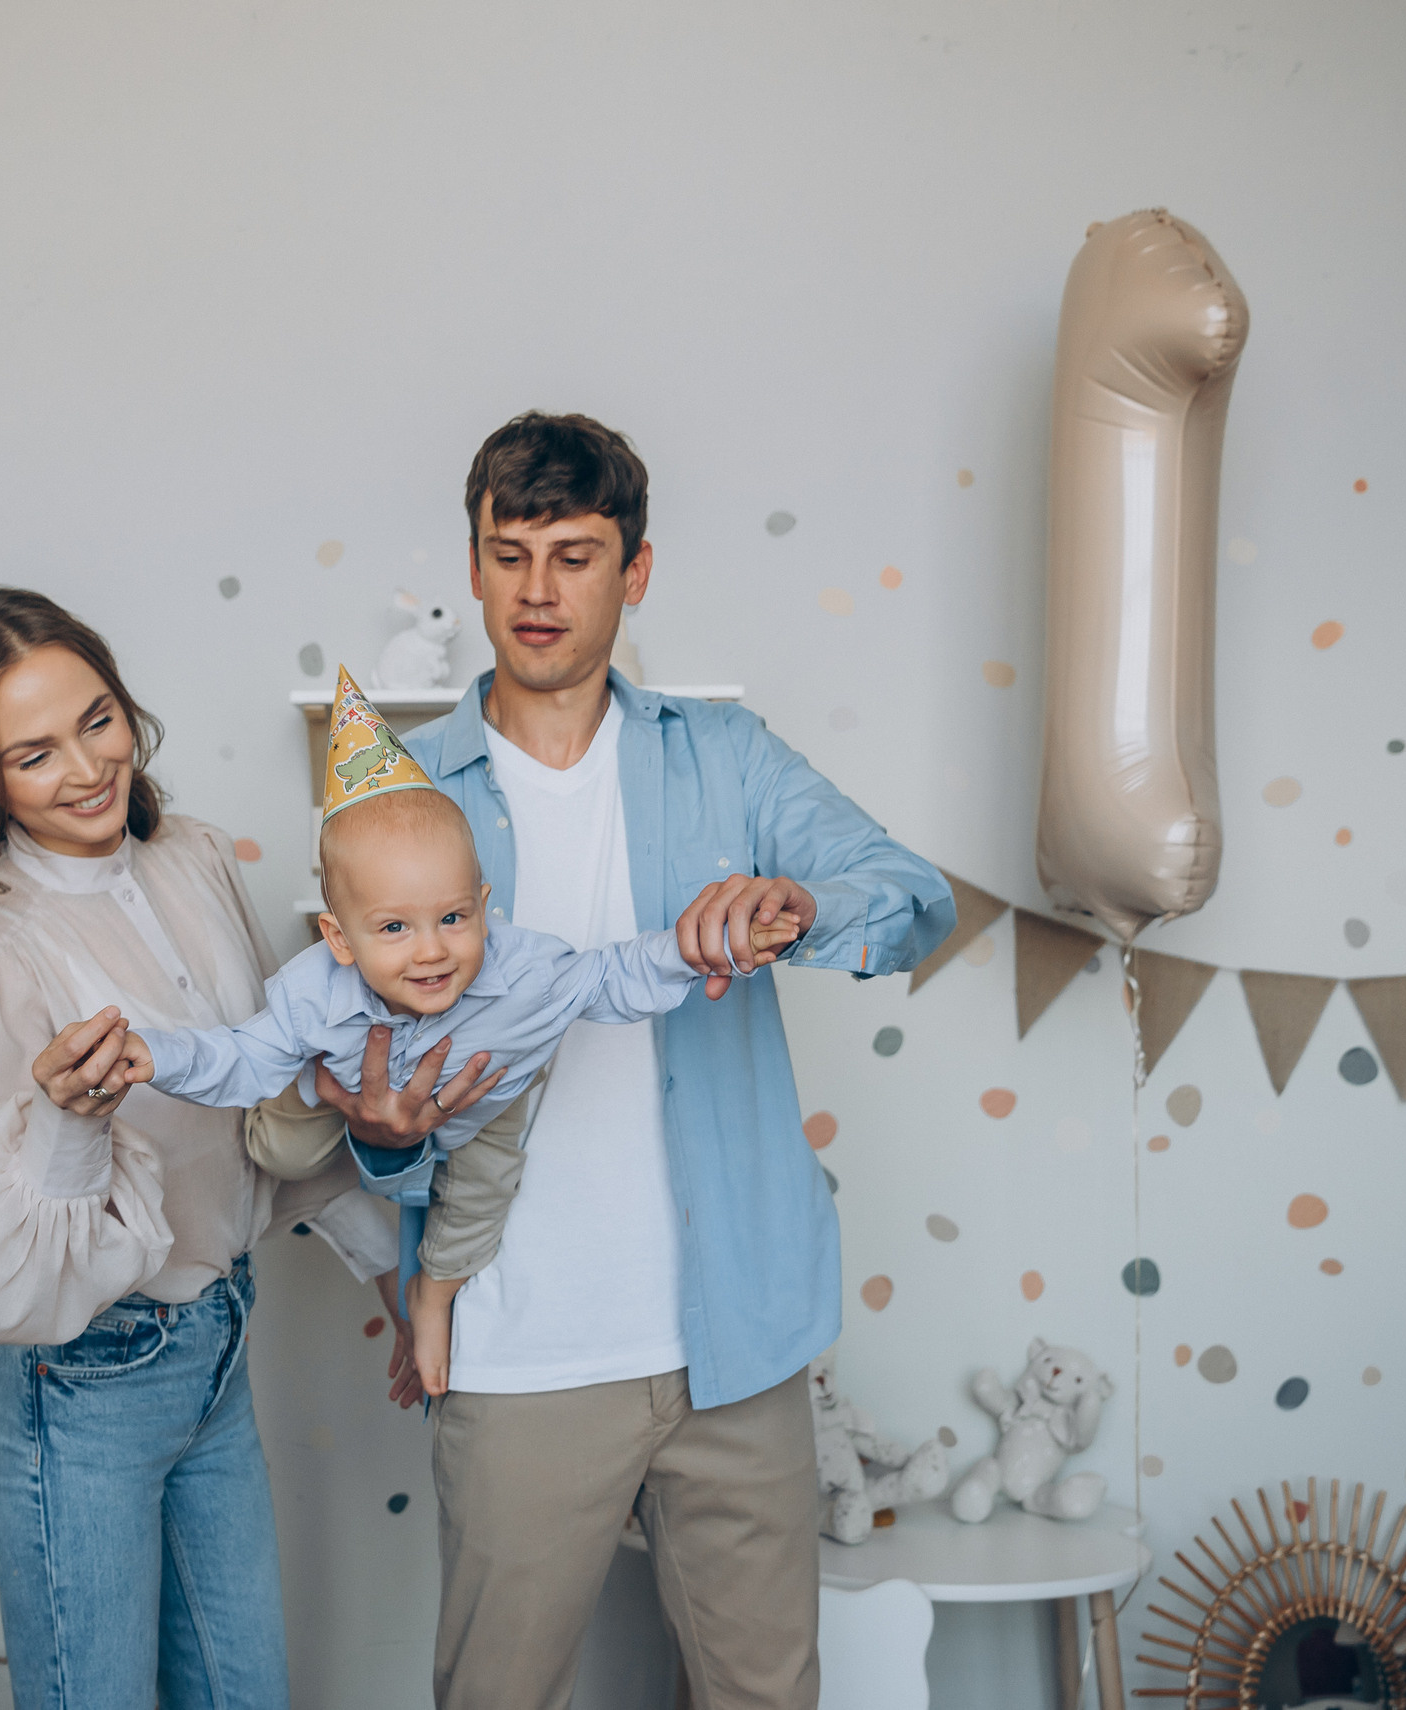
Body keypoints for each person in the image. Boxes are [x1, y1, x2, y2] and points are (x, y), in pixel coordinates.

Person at [333, 413, 956, 1709]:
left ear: (639, 567)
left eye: (576, 552)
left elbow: (911, 897)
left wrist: (794, 899)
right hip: (516, 1349)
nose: (540, 589)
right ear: (474, 564)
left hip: (736, 1340)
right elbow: (351, 1063)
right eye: (511, 553)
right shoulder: (404, 794)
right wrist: (384, 1145)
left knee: (766, 1695)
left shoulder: (723, 757)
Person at [0, 588, 488, 1710]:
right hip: (78, 1380)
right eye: (33, 754)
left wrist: (399, 1277)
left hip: (215, 1341)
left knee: (241, 1692)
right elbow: (6, 1288)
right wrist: (70, 1125)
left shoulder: (192, 858)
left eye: (97, 720)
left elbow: (277, 1115)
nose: (86, 768)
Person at [74, 670, 801, 1395]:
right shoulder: (315, 994)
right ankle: (312, 1107)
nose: (430, 950)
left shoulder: (527, 972)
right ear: (339, 937)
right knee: (284, 1148)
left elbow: (619, 973)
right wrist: (154, 1054)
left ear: (484, 905)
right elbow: (233, 1055)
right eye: (393, 928)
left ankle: (434, 1296)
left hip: (484, 1098)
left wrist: (711, 946)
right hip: (344, 1075)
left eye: (453, 918)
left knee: (484, 1195)